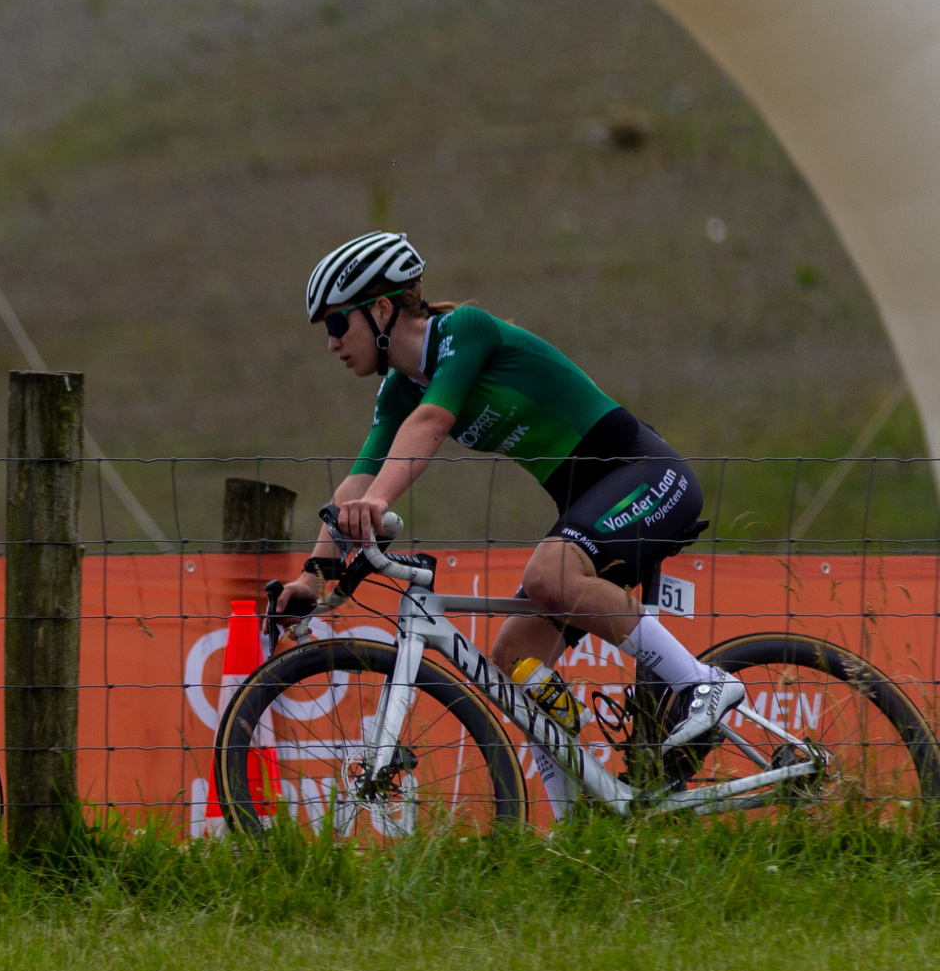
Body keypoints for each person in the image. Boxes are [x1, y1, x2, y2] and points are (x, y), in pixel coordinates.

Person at [275, 231, 742, 796]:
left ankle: (703, 684)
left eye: (334, 324)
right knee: (514, 656)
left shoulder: (465, 331)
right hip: (591, 505)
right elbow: (360, 478)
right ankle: (579, 829)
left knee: (549, 576)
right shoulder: (399, 390)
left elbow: (432, 426)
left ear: (379, 309)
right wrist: (313, 574)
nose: (330, 343)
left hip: (643, 473)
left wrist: (377, 505)